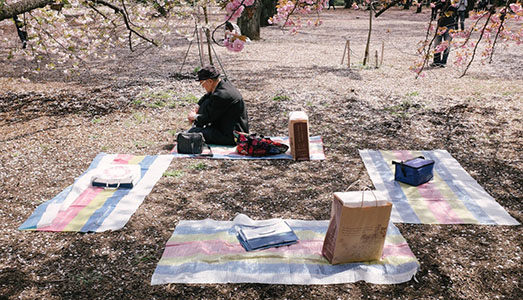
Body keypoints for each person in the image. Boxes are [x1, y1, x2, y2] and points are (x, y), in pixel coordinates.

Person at [186, 65, 249, 145]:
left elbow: (208, 118)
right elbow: (207, 95)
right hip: (227, 129)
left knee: (193, 133)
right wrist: (198, 106)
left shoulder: (221, 95)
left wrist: (194, 117)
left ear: (210, 81)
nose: (203, 87)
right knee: (206, 102)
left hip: (232, 136)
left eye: (202, 84)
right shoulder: (224, 84)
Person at [430, 0, 457, 68]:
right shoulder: (441, 3)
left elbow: (456, 11)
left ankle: (443, 61)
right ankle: (436, 61)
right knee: (437, 43)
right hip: (440, 26)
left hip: (450, 26)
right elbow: (435, 7)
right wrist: (433, 6)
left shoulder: (452, 3)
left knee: (446, 44)